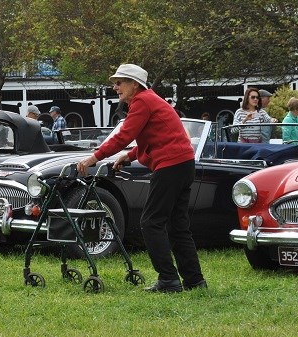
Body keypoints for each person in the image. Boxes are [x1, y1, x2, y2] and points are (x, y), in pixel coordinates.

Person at [76, 64, 206, 293]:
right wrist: (130, 155)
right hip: (183, 164)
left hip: (171, 166)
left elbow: (124, 135)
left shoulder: (142, 102)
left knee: (151, 223)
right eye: (114, 82)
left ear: (135, 84)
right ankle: (194, 281)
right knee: (178, 226)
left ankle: (168, 280)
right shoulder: (150, 100)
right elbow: (158, 137)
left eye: (120, 82)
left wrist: (93, 158)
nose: (115, 87)